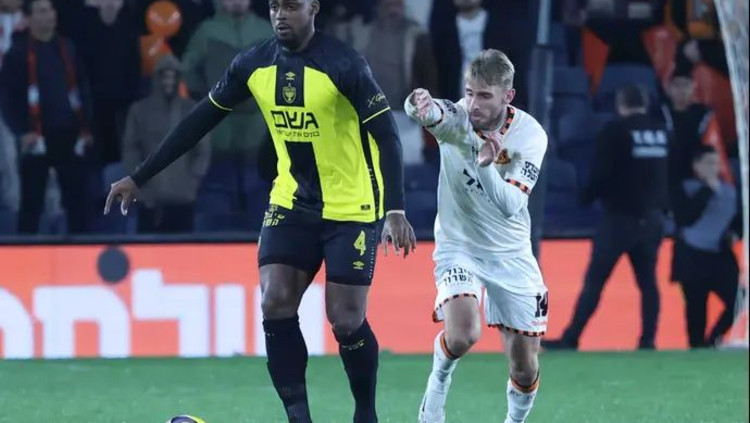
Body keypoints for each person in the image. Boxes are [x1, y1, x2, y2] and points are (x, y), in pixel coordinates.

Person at [104, 1, 416, 422]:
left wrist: (395, 209)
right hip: (291, 201)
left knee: (345, 320)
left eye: (291, 6)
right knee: (274, 301)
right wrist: (140, 176)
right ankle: (298, 418)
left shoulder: (345, 65)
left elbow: (388, 137)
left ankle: (365, 413)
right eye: (274, 6)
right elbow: (199, 121)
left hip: (351, 205)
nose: (280, 14)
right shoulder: (253, 63)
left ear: (313, 8)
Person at [406, 49, 548, 423]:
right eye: (469, 93)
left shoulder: (530, 136)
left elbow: (510, 204)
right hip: (459, 245)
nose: (473, 104)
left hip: (510, 253)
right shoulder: (458, 120)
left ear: (508, 96)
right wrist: (416, 103)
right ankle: (436, 388)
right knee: (463, 334)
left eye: (484, 95)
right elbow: (431, 113)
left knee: (525, 367)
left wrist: (485, 167)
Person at [543, 85, 670, 351]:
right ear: (645, 103)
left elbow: (602, 172)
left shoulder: (615, 130)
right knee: (648, 283)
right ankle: (648, 340)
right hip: (652, 218)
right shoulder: (662, 132)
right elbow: (672, 172)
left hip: (619, 219)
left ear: (621, 105)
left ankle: (572, 337)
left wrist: (584, 198)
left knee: (596, 281)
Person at [0, 0, 93, 234]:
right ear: (29, 18)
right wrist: (22, 132)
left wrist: (86, 128)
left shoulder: (67, 47)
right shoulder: (18, 52)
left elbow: (82, 88)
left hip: (69, 134)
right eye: (42, 11)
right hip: (37, 138)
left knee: (77, 205)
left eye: (51, 9)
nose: (50, 15)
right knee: (31, 207)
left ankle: (80, 251)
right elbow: (7, 99)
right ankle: (25, 254)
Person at [122, 54, 210, 234]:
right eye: (164, 77)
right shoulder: (139, 110)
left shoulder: (191, 109)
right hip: (149, 200)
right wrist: (139, 183)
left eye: (172, 77)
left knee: (183, 248)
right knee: (148, 249)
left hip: (183, 199)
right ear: (157, 79)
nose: (168, 82)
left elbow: (203, 150)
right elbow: (130, 150)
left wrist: (192, 182)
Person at [672, 145, 740, 348]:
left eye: (716, 163)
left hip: (719, 255)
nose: (714, 168)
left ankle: (714, 338)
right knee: (696, 308)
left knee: (739, 299)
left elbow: (738, 219)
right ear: (696, 166)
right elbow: (685, 217)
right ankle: (697, 347)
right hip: (692, 255)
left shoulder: (729, 191)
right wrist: (706, 191)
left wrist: (734, 233)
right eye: (709, 163)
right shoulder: (686, 188)